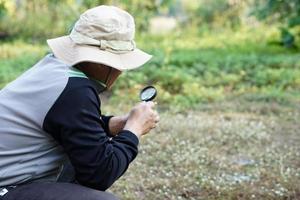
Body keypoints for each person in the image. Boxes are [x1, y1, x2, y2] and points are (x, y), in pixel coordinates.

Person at [0, 5, 159, 200]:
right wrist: (133, 129)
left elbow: (65, 123)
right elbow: (100, 173)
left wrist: (111, 125)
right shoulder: (76, 90)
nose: (121, 71)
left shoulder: (53, 67)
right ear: (103, 62)